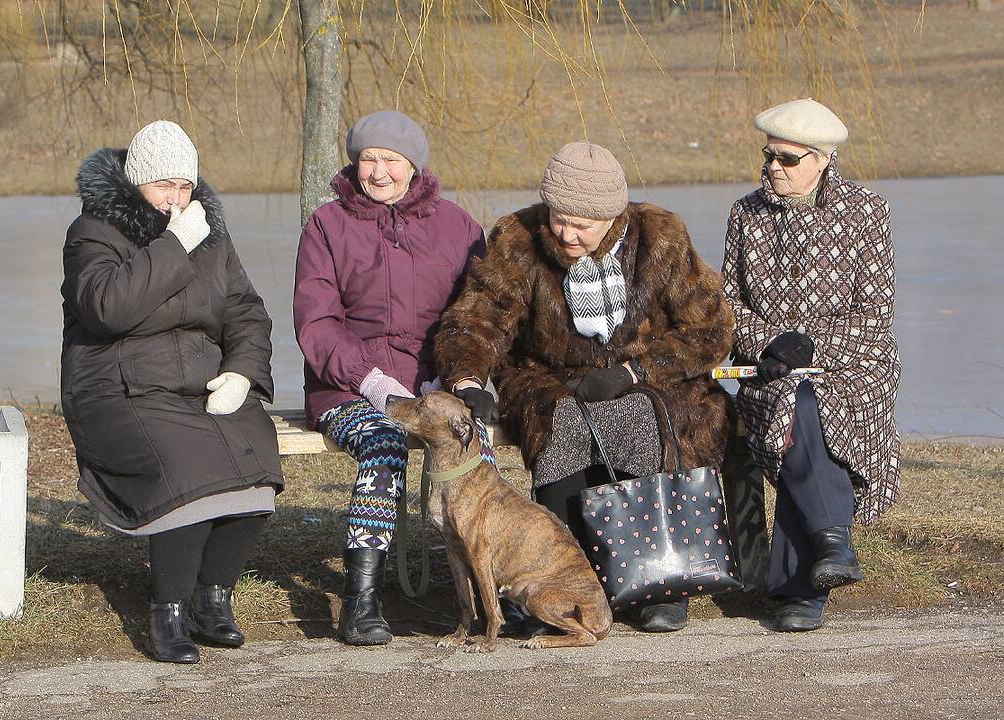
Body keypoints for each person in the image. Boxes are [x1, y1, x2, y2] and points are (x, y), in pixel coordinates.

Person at [435, 141, 733, 633]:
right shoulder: (517, 238)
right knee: (561, 424)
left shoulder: (662, 237)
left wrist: (636, 372)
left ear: (612, 215)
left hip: (644, 376)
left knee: (641, 418)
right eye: (558, 218)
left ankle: (658, 581)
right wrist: (469, 381)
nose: (566, 233)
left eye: (582, 224)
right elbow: (477, 320)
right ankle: (557, 584)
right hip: (548, 377)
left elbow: (710, 329)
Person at [61, 120, 283, 663]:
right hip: (117, 385)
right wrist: (173, 246)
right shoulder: (94, 232)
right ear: (137, 182)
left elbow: (246, 312)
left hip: (199, 382)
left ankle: (213, 597)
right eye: (164, 186)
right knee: (190, 471)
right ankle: (169, 611)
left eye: (185, 186)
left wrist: (242, 373)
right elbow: (109, 308)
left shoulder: (213, 236)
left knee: (258, 461)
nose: (176, 199)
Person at [293, 110, 492, 646]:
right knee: (383, 443)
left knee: (479, 447)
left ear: (414, 165)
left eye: (391, 160)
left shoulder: (458, 227)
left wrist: (463, 377)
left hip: (434, 385)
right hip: (347, 386)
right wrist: (374, 382)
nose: (378, 172)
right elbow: (316, 323)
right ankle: (362, 598)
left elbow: (474, 316)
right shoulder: (327, 226)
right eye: (368, 159)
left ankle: (490, 592)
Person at [721, 98, 901, 632]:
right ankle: (831, 546)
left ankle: (798, 583)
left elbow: (875, 314)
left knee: (811, 403)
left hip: (854, 366)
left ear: (823, 159)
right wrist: (773, 345)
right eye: (769, 156)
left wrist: (812, 347)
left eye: (789, 159)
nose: (774, 167)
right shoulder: (745, 214)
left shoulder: (867, 213)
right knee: (797, 402)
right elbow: (727, 307)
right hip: (768, 367)